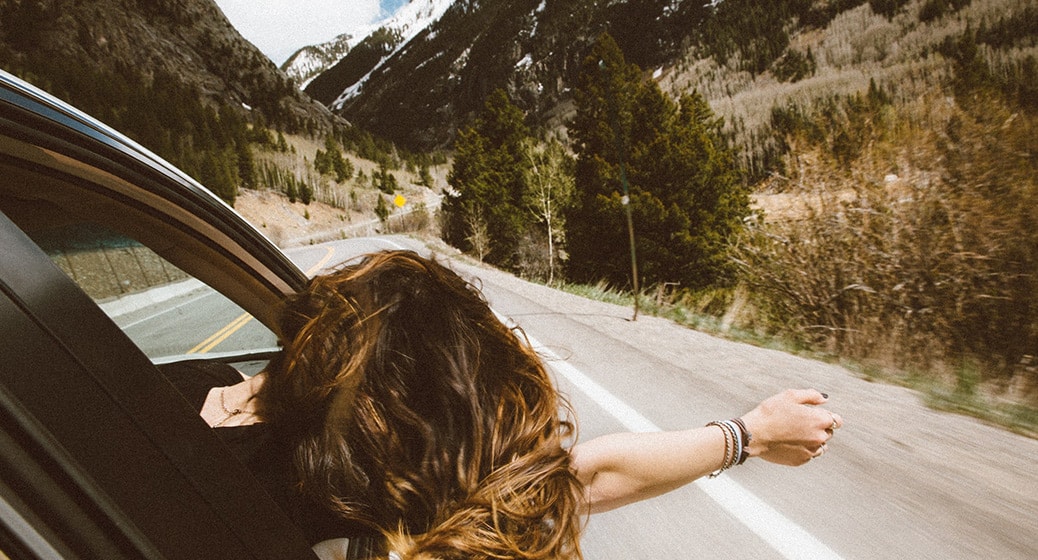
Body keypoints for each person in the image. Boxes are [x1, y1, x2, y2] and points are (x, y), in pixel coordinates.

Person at [164, 250, 842, 560]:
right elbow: (574, 482)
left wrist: (747, 434)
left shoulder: (160, 411)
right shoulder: (358, 504)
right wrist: (746, 436)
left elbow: (575, 480)